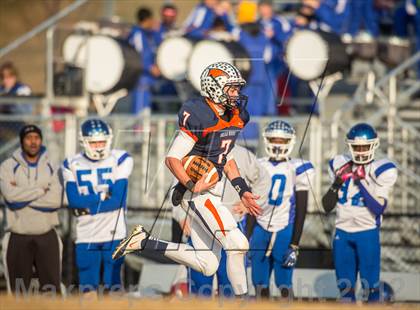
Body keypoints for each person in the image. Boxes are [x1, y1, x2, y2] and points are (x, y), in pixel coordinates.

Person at [113, 62, 261, 297]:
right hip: (197, 193)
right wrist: (192, 185)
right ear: (214, 88)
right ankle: (243, 301)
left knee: (207, 264)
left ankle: (145, 242)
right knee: (238, 244)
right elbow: (172, 159)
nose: (236, 94)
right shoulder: (199, 114)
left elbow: (227, 157)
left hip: (212, 190)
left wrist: (242, 190)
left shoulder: (235, 116)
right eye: (231, 89)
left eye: (236, 89)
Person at [173, 145, 270, 297]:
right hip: (200, 221)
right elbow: (178, 183)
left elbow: (264, 179)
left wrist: (248, 204)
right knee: (201, 280)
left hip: (230, 221)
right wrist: (181, 215)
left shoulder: (243, 154)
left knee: (229, 284)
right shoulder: (195, 148)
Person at [322, 123, 398, 302]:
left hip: (367, 232)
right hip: (342, 232)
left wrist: (359, 181)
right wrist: (338, 182)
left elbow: (378, 208)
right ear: (350, 146)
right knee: (345, 288)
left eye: (365, 146)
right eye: (357, 147)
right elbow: (326, 206)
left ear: (374, 145)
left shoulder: (381, 168)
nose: (361, 151)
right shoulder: (339, 164)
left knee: (371, 287)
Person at [62, 119, 133, 294]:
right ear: (83, 142)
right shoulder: (71, 163)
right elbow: (74, 201)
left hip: (114, 231)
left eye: (102, 142)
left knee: (114, 285)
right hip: (86, 233)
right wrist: (102, 195)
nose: (99, 146)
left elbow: (117, 200)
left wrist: (88, 208)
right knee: (88, 287)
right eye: (94, 142)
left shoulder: (121, 158)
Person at [250, 120, 314, 299]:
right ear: (266, 140)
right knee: (259, 282)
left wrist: (295, 243)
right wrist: (248, 236)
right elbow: (251, 204)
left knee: (284, 282)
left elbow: (302, 209)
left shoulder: (298, 167)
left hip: (285, 227)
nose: (277, 144)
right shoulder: (258, 164)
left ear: (290, 142)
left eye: (282, 140)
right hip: (260, 226)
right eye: (273, 139)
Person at [0, 125, 63, 294]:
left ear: (41, 140)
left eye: (36, 137)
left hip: (47, 235)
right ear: (22, 141)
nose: (33, 142)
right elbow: (10, 198)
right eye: (28, 138)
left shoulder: (52, 167)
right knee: (19, 293)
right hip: (18, 235)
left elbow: (55, 201)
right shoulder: (7, 166)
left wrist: (22, 195)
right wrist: (41, 191)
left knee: (52, 292)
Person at [127, 7, 161, 114]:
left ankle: (143, 129)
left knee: (147, 112)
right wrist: (150, 67)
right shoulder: (137, 34)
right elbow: (138, 56)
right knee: (140, 111)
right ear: (147, 20)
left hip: (147, 79)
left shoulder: (147, 34)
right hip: (141, 79)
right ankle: (138, 131)